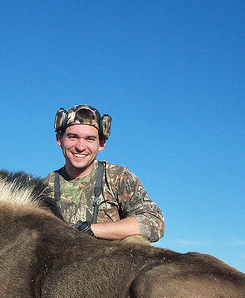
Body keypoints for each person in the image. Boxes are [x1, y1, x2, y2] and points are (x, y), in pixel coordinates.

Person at [45, 104, 164, 244]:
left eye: (90, 139)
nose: (80, 147)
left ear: (101, 144)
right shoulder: (43, 188)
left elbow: (154, 222)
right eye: (73, 137)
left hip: (111, 262)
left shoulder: (117, 177)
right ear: (59, 139)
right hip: (61, 262)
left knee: (136, 241)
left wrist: (91, 230)